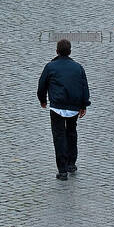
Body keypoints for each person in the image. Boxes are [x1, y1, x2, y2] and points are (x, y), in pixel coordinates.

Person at [37, 38, 90, 180]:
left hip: (57, 108)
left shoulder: (50, 67)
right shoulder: (78, 67)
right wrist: (84, 105)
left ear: (56, 51)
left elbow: (42, 85)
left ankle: (62, 170)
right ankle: (71, 163)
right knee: (72, 133)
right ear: (70, 52)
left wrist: (42, 100)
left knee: (59, 137)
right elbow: (84, 86)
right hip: (73, 107)